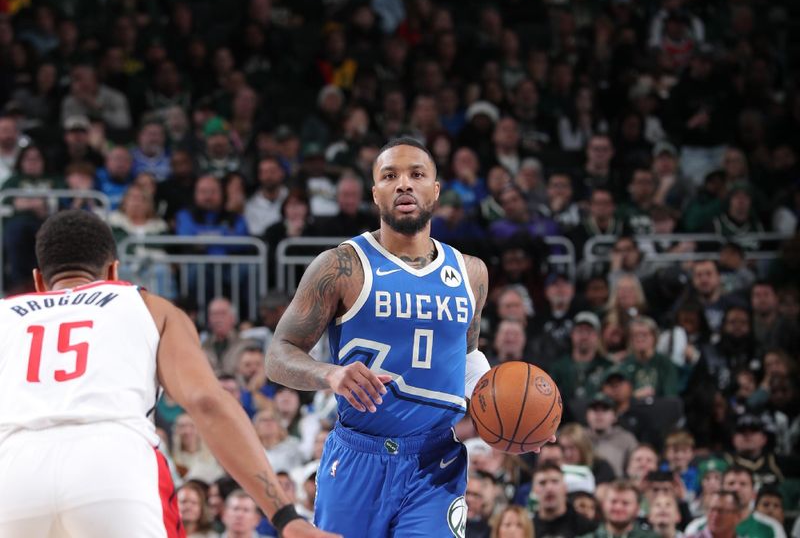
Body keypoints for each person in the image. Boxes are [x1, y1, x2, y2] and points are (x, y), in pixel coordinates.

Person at [266, 138, 556, 536]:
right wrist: (329, 374)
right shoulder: (340, 266)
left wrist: (513, 419)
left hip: (434, 461)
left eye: (417, 174)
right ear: (375, 193)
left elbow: (467, 354)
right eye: (390, 176)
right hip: (357, 456)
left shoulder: (471, 273)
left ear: (435, 190)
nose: (404, 184)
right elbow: (278, 354)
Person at [0, 209, 336, 538]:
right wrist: (286, 516)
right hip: (112, 467)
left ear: (39, 281)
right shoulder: (147, 306)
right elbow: (206, 401)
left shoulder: (6, 315)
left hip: (13, 474)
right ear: (115, 272)